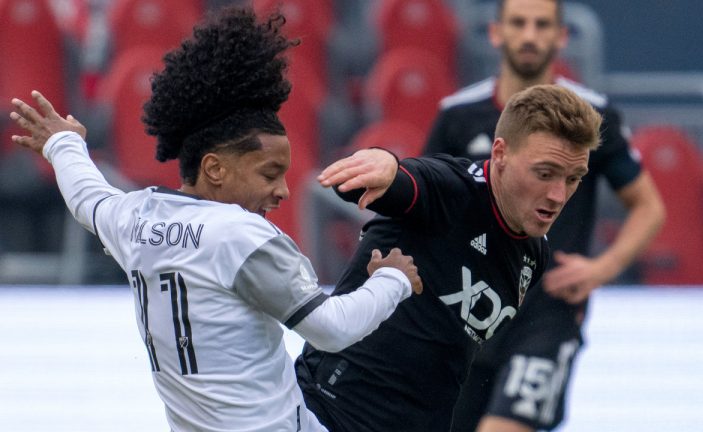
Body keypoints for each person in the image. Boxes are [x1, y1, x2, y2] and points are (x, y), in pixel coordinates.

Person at [9, 8, 423, 432]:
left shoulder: (135, 219)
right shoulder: (243, 237)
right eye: (269, 173)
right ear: (215, 169)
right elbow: (332, 330)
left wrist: (62, 144)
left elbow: (87, 199)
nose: (282, 190)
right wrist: (392, 280)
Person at [294, 84, 603, 432]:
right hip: (329, 414)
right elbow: (402, 182)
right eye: (544, 173)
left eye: (573, 178)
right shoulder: (453, 190)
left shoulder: (534, 254)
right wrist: (384, 166)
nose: (558, 195)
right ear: (499, 154)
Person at [422, 1, 666, 431]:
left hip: (548, 312)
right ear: (497, 33)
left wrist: (602, 268)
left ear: (561, 36)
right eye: (518, 23)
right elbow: (427, 207)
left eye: (542, 24)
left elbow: (649, 206)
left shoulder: (594, 117)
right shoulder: (458, 115)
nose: (530, 35)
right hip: (469, 311)